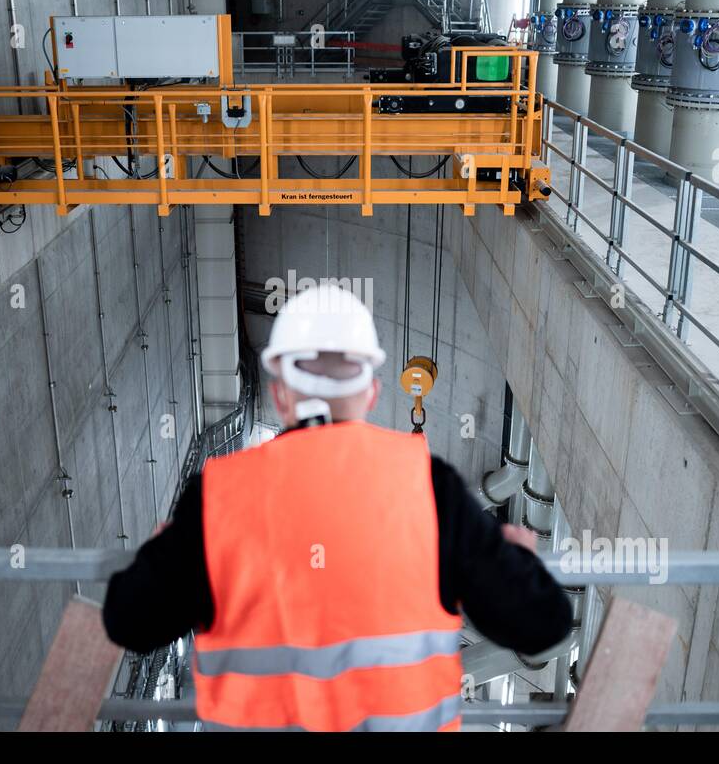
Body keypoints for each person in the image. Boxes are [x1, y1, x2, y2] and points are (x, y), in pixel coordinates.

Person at [103, 283, 571, 731]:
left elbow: (130, 620)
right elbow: (540, 624)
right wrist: (514, 559)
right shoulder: (429, 491)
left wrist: (160, 559)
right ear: (371, 393)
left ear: (280, 393)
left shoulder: (218, 497)